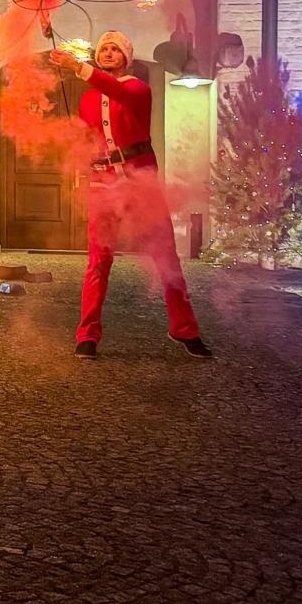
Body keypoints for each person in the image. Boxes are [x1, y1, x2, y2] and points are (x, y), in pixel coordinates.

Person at [51, 32, 212, 360]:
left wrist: (78, 67)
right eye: (103, 49)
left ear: (127, 57)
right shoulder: (88, 99)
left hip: (140, 182)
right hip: (102, 183)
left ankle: (184, 328)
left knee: (165, 256)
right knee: (98, 259)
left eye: (115, 49)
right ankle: (87, 335)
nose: (108, 53)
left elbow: (116, 91)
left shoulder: (138, 89)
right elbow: (88, 139)